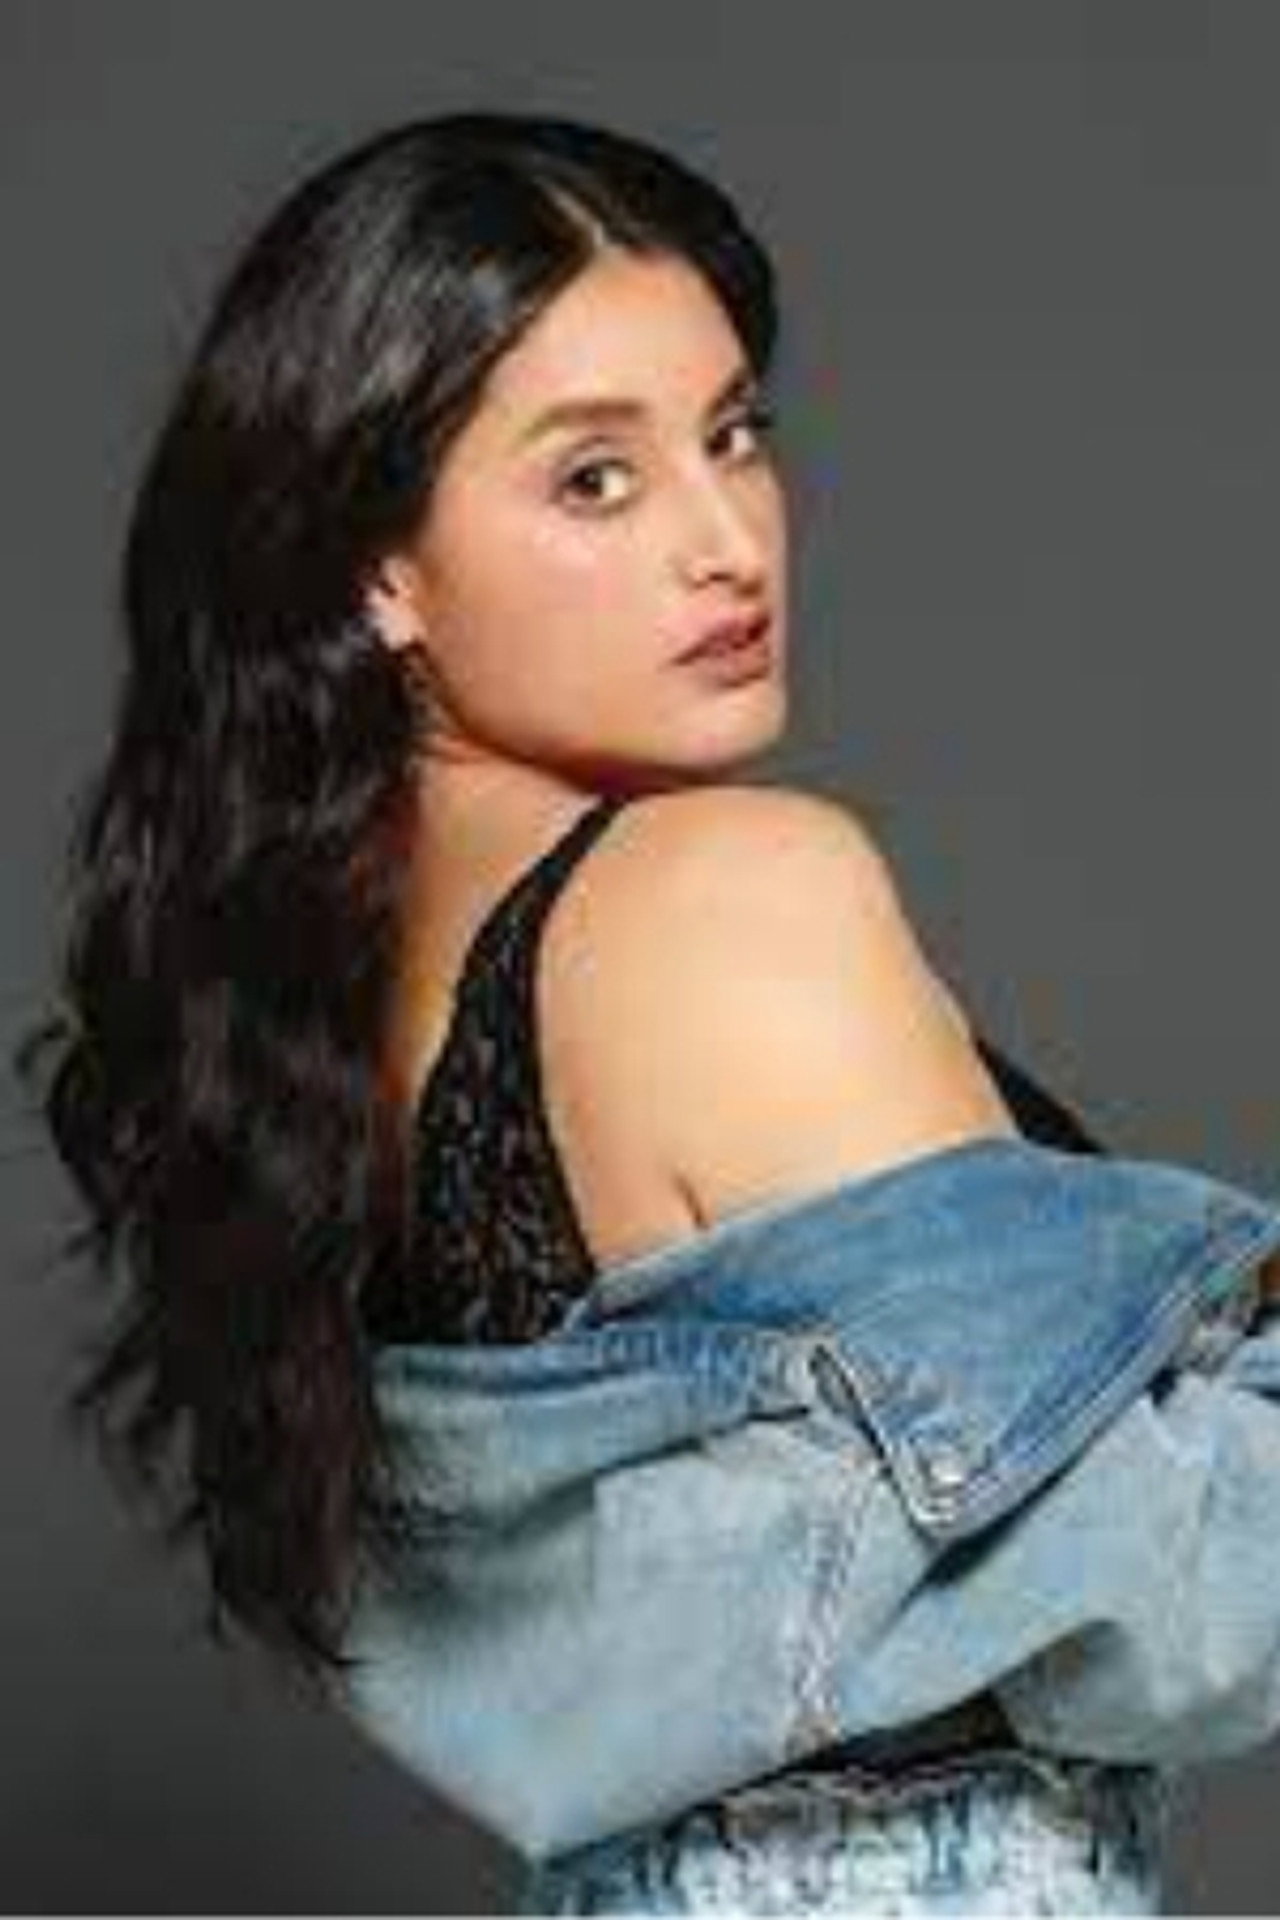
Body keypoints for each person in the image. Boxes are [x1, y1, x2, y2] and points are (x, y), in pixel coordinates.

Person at [16, 109, 1280, 1915]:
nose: (727, 540)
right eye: (595, 479)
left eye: (734, 433)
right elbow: (1174, 1600)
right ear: (378, 566)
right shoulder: (720, 899)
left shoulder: (338, 1017)